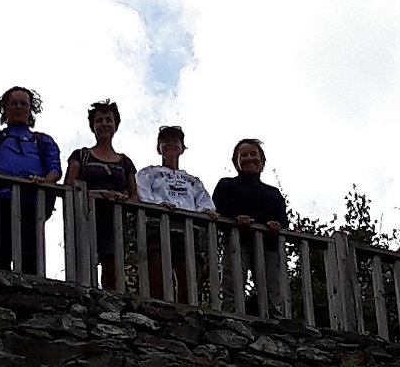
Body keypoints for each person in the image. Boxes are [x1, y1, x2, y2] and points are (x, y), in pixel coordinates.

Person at [0, 86, 62, 275]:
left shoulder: (43, 141)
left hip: (32, 202)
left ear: (31, 109)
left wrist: (43, 181)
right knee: (0, 257)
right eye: (14, 103)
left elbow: (55, 169)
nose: (19, 107)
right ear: (5, 108)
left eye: (23, 103)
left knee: (31, 258)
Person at [136, 125, 217, 303]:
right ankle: (158, 310)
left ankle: (185, 314)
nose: (171, 144)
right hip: (158, 226)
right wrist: (159, 205)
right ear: (159, 148)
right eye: (165, 141)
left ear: (182, 147)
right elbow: (142, 194)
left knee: (189, 280)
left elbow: (206, 204)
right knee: (157, 277)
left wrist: (205, 212)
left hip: (188, 230)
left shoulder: (193, 180)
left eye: (175, 140)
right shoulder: (149, 173)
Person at [64, 99, 139, 290]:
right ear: (92, 126)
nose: (104, 124)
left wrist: (123, 200)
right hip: (86, 217)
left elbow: (135, 196)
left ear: (115, 125)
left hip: (115, 221)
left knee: (112, 267)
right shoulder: (81, 155)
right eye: (99, 120)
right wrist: (94, 194)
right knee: (84, 263)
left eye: (108, 120)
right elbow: (70, 185)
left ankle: (110, 301)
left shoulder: (125, 162)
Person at [212, 139, 289, 313]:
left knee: (272, 287)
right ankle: (231, 315)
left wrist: (276, 226)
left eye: (253, 154)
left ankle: (273, 318)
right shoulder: (227, 185)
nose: (249, 158)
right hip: (237, 242)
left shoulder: (272, 193)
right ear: (237, 162)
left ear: (261, 160)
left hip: (268, 245)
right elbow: (216, 209)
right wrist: (235, 219)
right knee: (233, 282)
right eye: (244, 155)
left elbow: (283, 221)